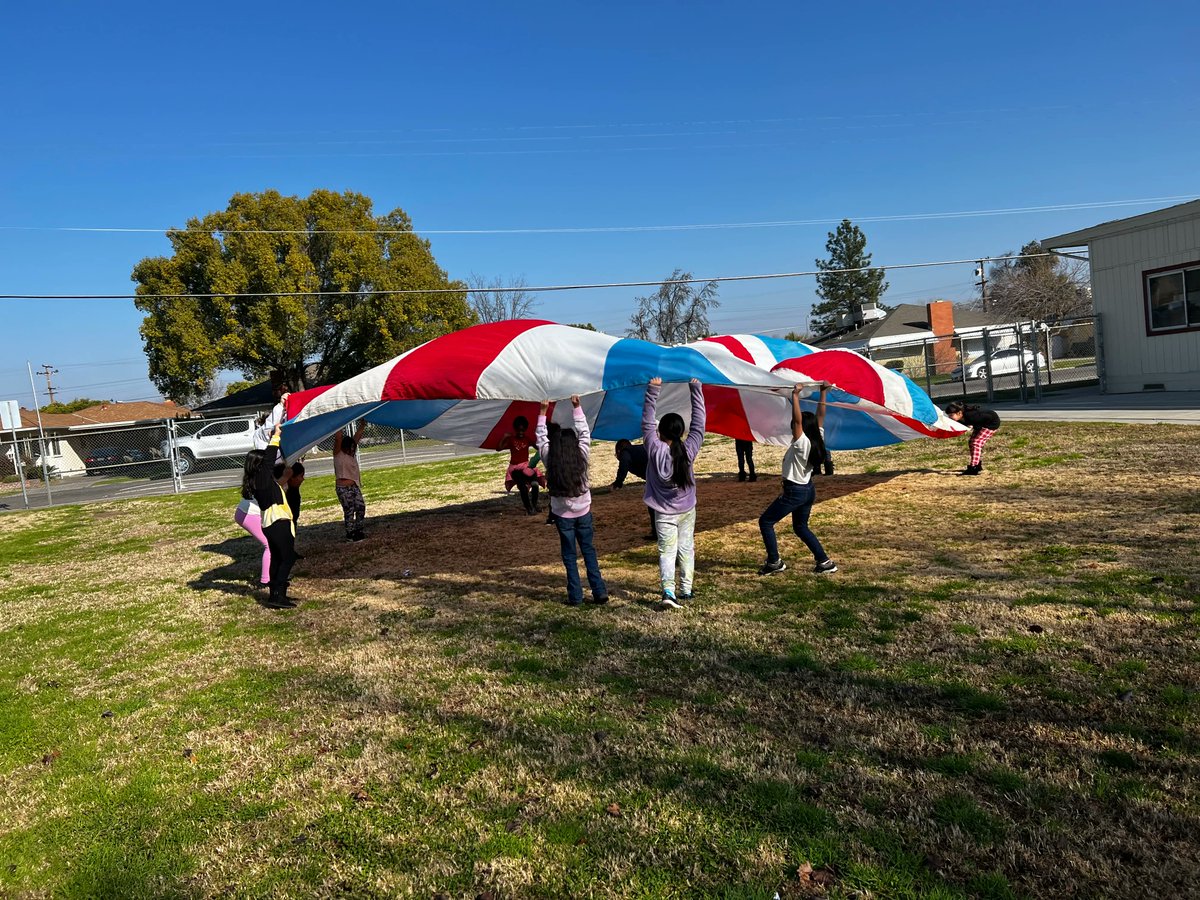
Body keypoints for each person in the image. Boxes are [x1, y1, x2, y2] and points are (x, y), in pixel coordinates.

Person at [758, 383, 838, 576]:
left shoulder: (802, 443)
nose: (794, 426)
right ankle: (824, 562)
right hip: (807, 489)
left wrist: (795, 395)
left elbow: (798, 421)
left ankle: (774, 562)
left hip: (795, 491)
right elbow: (821, 415)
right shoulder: (817, 438)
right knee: (801, 527)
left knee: (766, 522)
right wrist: (823, 393)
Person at [536, 396, 608, 607]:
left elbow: (541, 438)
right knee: (589, 551)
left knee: (569, 555)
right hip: (584, 513)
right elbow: (585, 433)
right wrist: (577, 407)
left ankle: (575, 596)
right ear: (574, 445)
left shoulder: (551, 459)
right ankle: (599, 592)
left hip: (562, 517)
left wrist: (542, 412)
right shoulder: (582, 456)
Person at [643, 377, 706, 609]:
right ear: (682, 431)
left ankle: (669, 591)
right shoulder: (689, 449)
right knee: (686, 547)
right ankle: (686, 589)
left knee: (666, 551)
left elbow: (646, 420)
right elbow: (699, 422)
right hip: (687, 510)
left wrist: (653, 389)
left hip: (664, 513)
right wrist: (695, 389)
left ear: (659, 432)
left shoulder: (653, 449)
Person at [252, 404, 298, 609]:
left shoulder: (261, 482)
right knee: (287, 558)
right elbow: (269, 459)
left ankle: (276, 594)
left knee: (279, 558)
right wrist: (276, 437)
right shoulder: (261, 478)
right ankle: (277, 593)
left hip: (273, 523)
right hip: (277, 523)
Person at [235, 450, 270, 589]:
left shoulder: (253, 476)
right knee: (269, 545)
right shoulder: (258, 480)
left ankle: (271, 574)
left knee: (271, 544)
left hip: (244, 513)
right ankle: (265, 580)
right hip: (249, 515)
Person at [498, 415, 546, 514]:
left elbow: (538, 448)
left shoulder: (527, 439)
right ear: (515, 430)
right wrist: (504, 437)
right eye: (519, 431)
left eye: (523, 431)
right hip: (515, 469)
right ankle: (529, 509)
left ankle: (534, 505)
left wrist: (543, 443)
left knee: (535, 484)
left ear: (525, 429)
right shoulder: (511, 439)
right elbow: (498, 448)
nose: (521, 433)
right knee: (523, 487)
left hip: (526, 467)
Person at [613, 438, 656, 539]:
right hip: (660, 476)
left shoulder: (626, 452)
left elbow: (624, 465)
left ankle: (657, 533)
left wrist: (618, 482)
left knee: (653, 505)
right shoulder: (638, 450)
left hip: (656, 479)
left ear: (618, 451)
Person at [944, 400, 1001, 476]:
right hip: (981, 423)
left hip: (991, 423)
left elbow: (980, 420)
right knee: (971, 442)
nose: (950, 418)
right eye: (948, 415)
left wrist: (972, 426)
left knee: (976, 443)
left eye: (951, 415)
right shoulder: (962, 416)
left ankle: (974, 467)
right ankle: (977, 465)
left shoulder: (971, 416)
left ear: (959, 413)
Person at [334, 421, 367, 541]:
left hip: (354, 486)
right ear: (345, 447)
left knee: (361, 507)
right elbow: (338, 438)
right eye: (351, 448)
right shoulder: (338, 454)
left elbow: (357, 437)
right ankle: (350, 533)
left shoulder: (351, 455)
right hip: (343, 489)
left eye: (354, 448)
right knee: (349, 510)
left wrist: (362, 425)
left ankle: (358, 529)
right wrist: (340, 422)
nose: (353, 450)